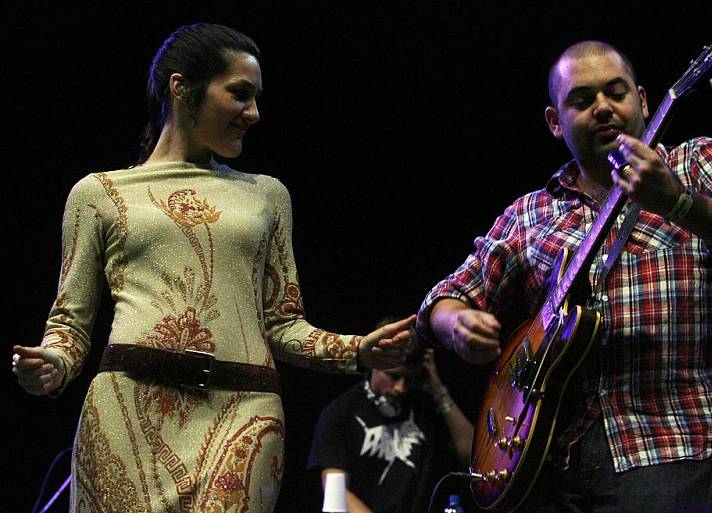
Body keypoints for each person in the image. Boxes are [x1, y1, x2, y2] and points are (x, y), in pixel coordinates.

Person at [11, 23, 415, 513]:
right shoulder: (99, 194)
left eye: (257, 98)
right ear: (182, 88)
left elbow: (283, 323)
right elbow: (69, 324)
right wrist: (53, 362)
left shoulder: (267, 195)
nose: (254, 113)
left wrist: (358, 350)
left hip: (245, 411)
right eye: (240, 95)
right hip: (127, 413)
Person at [416, 40, 712, 513]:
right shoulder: (530, 213)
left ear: (644, 100)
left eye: (616, 92)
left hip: (667, 443)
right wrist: (457, 324)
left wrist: (676, 201)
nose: (603, 108)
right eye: (582, 100)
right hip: (546, 460)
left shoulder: (695, 162)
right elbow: (443, 299)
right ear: (555, 122)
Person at [307, 317, 474, 513]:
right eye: (393, 376)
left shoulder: (425, 407)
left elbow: (471, 454)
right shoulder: (339, 413)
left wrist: (438, 389)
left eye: (409, 378)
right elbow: (336, 491)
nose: (401, 388)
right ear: (373, 363)